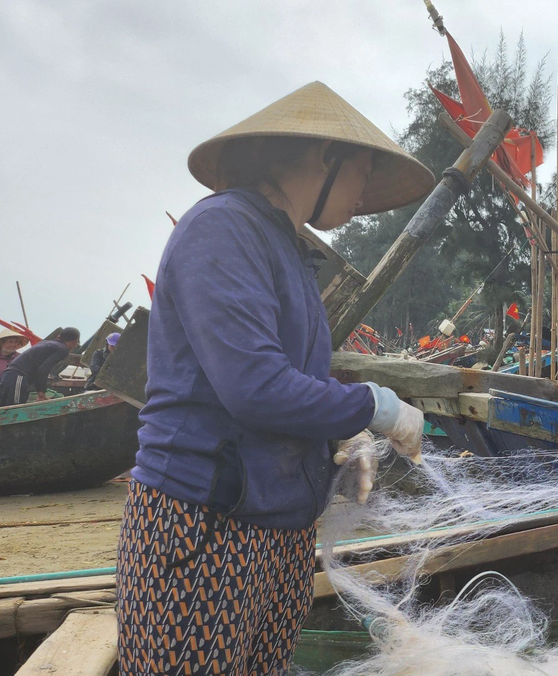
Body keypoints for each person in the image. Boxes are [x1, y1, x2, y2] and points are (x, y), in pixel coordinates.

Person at [116, 81, 437, 675]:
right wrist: (373, 406)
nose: (365, 190)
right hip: (205, 530)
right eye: (363, 171)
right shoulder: (222, 228)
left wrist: (337, 443)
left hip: (277, 533)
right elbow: (255, 387)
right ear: (325, 157)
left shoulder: (288, 248)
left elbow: (292, 385)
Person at [0, 327, 80, 406]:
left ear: (59, 336)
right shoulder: (63, 349)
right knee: (15, 411)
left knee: (3, 410)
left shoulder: (46, 343)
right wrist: (41, 394)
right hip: (18, 377)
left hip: (5, 376)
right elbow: (43, 370)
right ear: (74, 341)